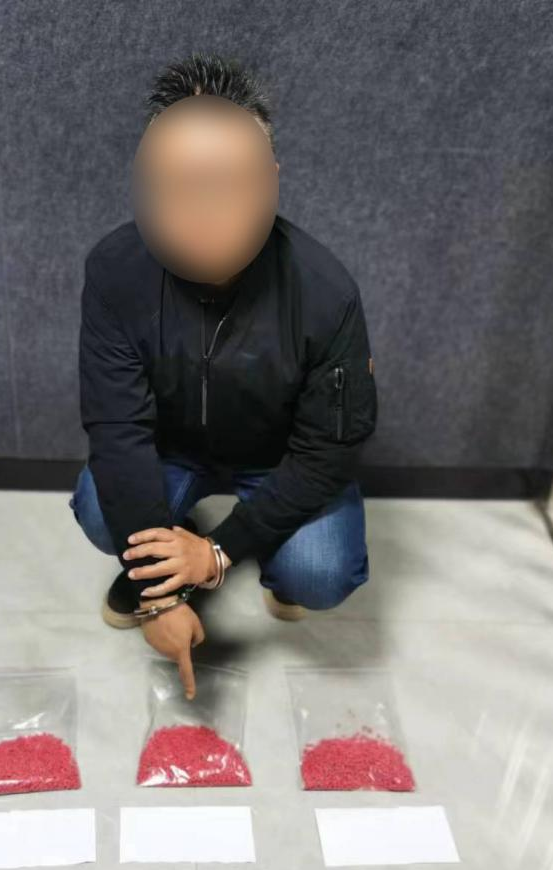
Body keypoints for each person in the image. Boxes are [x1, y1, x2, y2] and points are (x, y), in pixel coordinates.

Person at [69, 52, 377, 699]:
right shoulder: (115, 272)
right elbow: (117, 430)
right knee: (100, 507)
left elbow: (329, 450)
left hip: (278, 460)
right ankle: (166, 556)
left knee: (319, 573)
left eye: (230, 186)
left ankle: (250, 559)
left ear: (270, 182)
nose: (204, 214)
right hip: (173, 451)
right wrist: (159, 594)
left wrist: (217, 553)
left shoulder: (325, 292)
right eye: (178, 189)